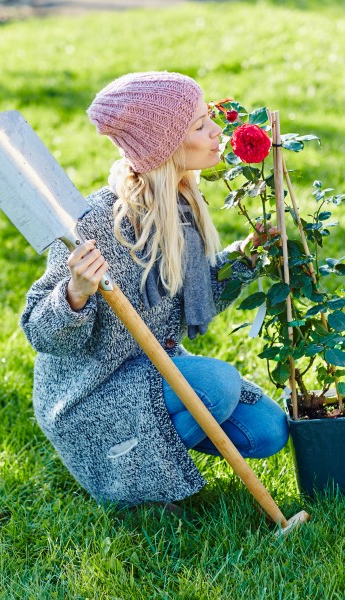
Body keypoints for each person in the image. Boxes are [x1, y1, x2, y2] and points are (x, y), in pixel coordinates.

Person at [20, 71, 289, 507]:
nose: (216, 132)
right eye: (201, 125)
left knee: (268, 431)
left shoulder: (181, 208)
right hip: (91, 393)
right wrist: (76, 293)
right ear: (165, 145)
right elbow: (39, 331)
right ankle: (124, 477)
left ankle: (149, 460)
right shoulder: (96, 223)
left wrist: (247, 257)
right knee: (217, 384)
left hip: (153, 368)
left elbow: (194, 300)